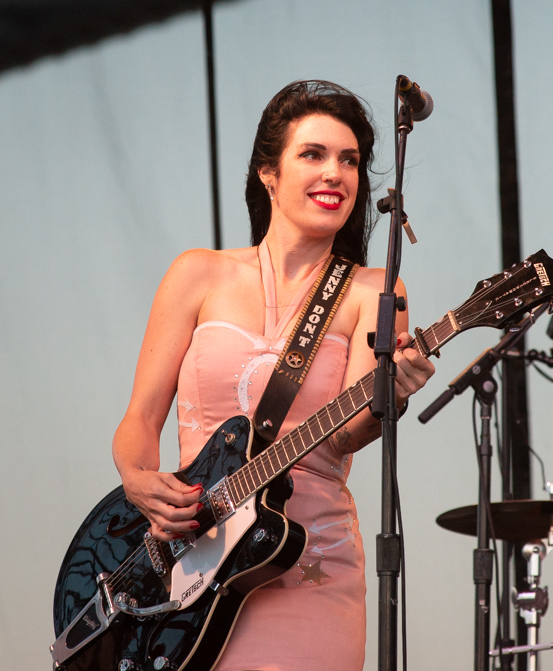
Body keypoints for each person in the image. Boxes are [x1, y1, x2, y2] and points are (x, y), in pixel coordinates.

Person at [111, 80, 436, 670]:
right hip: (189, 565)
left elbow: (344, 435)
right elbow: (139, 418)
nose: (335, 173)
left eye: (350, 160)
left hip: (307, 564)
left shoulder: (375, 289)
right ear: (268, 172)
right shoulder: (196, 274)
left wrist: (393, 394)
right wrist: (137, 480)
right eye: (313, 154)